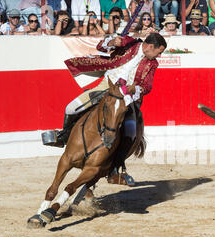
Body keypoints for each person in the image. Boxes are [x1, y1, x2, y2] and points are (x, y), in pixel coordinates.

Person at [46, 33, 167, 184]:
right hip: (106, 86)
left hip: (127, 97)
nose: (159, 55)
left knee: (130, 131)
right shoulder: (129, 42)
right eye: (159, 51)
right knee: (71, 108)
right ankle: (63, 136)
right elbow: (101, 46)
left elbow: (147, 87)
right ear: (150, 46)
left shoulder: (152, 63)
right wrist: (112, 41)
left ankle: (115, 168)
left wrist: (134, 89)